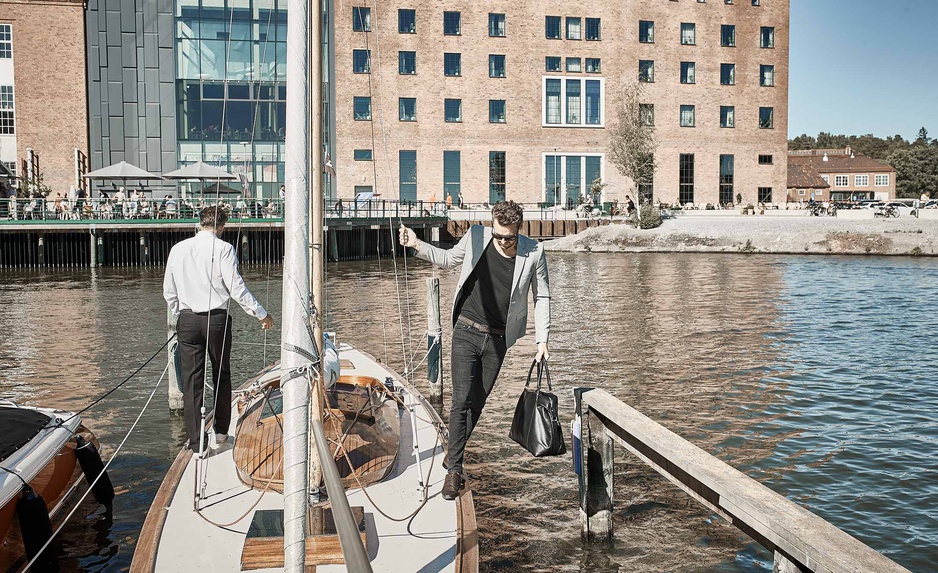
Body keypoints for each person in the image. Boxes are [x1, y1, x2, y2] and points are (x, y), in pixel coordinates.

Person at [399, 200, 550, 501]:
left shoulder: (534, 252)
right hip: (466, 329)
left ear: (519, 230)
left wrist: (542, 340)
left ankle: (452, 452)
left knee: (478, 405)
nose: (503, 242)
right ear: (492, 226)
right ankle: (454, 470)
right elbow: (446, 259)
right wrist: (416, 244)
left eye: (509, 237)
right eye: (499, 236)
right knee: (460, 400)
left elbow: (542, 295)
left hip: (498, 340)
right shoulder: (477, 237)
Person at [163, 207, 275, 451]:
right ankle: (221, 434)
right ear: (222, 227)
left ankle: (197, 444)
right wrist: (261, 314)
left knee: (192, 382)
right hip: (216, 320)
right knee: (221, 374)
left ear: (200, 223)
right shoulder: (224, 248)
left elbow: (169, 291)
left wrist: (180, 313)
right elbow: (236, 288)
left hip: (188, 319)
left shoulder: (178, 249)